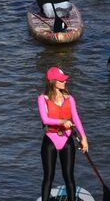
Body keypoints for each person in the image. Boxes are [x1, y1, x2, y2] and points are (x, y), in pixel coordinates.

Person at [38, 66, 88, 201]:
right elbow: (45, 119)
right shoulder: (43, 99)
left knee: (69, 177)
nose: (64, 82)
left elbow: (76, 118)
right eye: (61, 80)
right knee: (48, 177)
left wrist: (84, 138)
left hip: (67, 140)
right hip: (50, 140)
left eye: (64, 79)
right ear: (52, 82)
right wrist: (62, 121)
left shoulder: (69, 98)